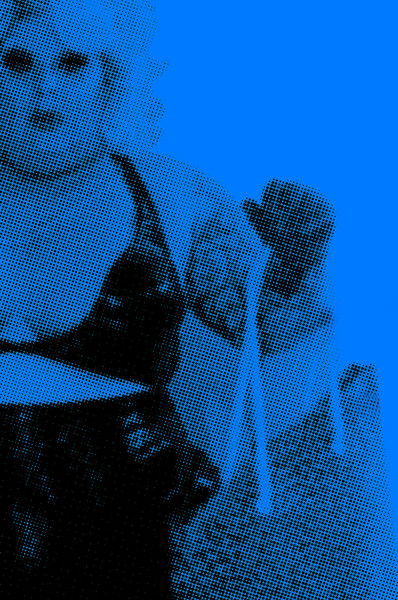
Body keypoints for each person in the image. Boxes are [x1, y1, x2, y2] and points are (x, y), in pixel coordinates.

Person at [0, 1, 337, 598]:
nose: (43, 87)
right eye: (18, 62)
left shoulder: (177, 192)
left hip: (128, 503)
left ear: (110, 76)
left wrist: (293, 268)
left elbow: (258, 332)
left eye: (71, 63)